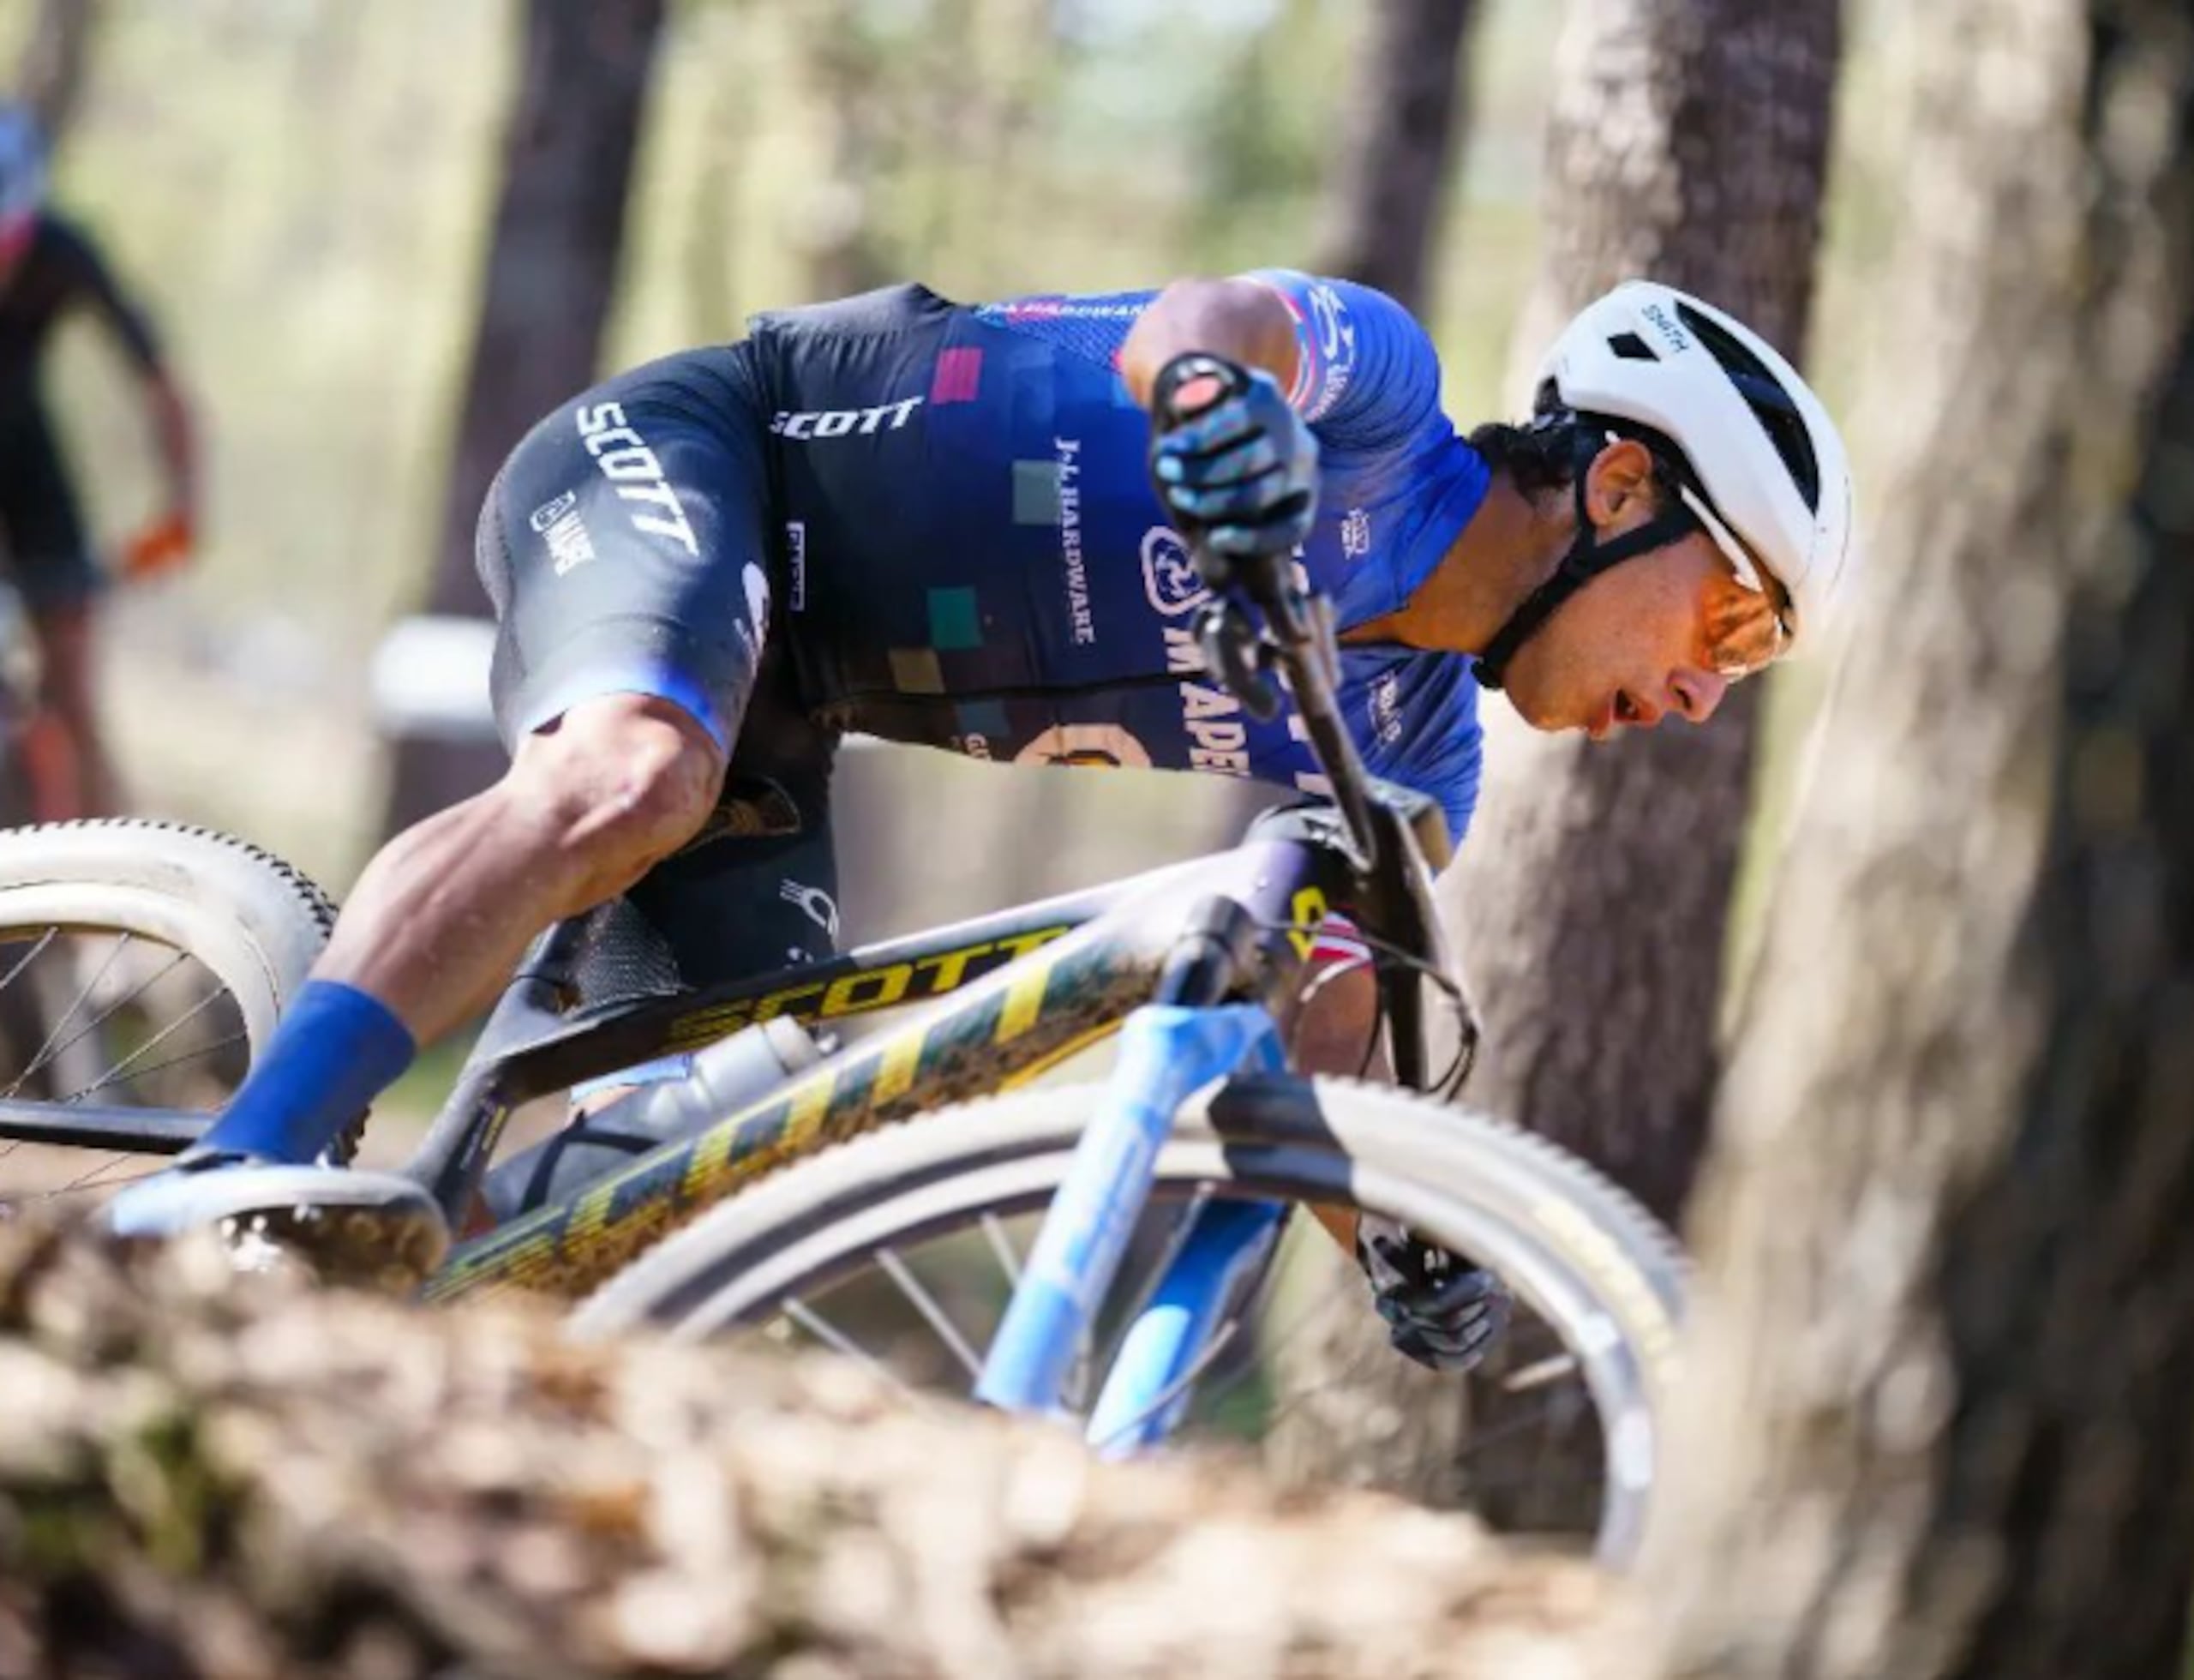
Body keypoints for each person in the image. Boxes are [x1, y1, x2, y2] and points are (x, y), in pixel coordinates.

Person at [109, 268, 1855, 1371]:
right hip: (703, 459)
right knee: (628, 776)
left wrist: (1404, 1231)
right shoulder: (1381, 406)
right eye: (1727, 620)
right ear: (1616, 483)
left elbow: (1322, 1038)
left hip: (790, 698)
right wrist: (1207, 409)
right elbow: (1208, 328)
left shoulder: (1415, 751)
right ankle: (213, 1185)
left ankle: (352, 1351)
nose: (1704, 694)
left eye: (1748, 661)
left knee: (681, 1170)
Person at [0, 105, 197, 819]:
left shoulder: (63, 251)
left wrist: (180, 511)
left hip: (27, 461)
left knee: (74, 686)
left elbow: (160, 382)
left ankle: (103, 889)